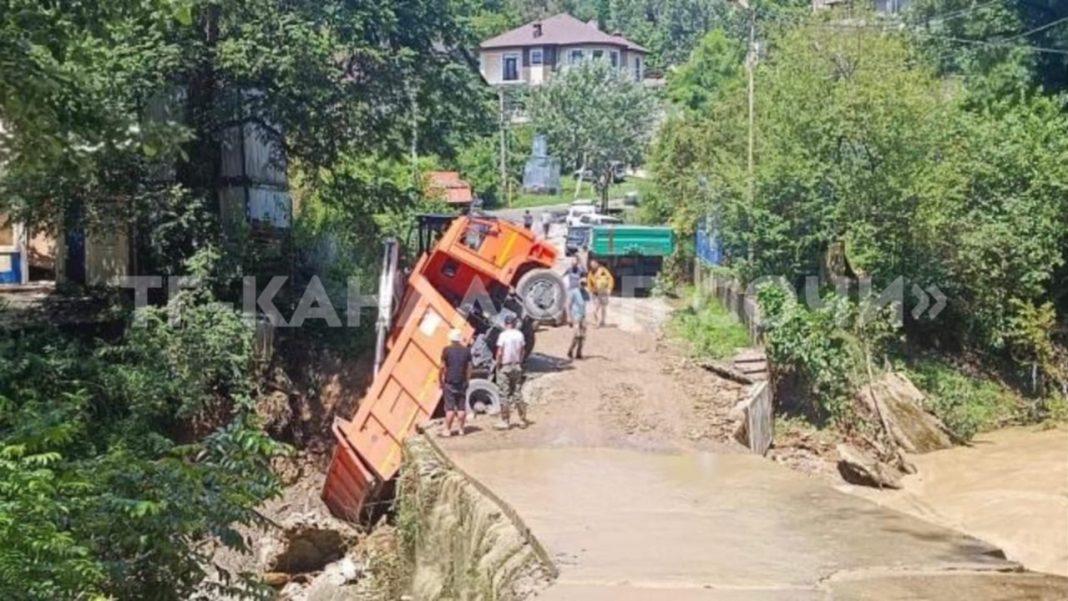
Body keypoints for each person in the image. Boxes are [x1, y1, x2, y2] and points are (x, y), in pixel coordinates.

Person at [494, 315, 528, 429]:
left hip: (505, 366)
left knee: (504, 394)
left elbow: (499, 352)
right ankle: (522, 420)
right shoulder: (519, 334)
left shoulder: (503, 335)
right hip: (517, 366)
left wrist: (498, 364)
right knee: (517, 393)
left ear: (505, 324)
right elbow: (523, 350)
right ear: (514, 324)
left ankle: (505, 421)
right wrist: (520, 362)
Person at [439, 329, 472, 437]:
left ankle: (447, 430)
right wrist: (467, 380)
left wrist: (440, 380)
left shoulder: (446, 350)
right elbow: (469, 368)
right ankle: (461, 430)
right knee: (461, 407)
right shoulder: (466, 350)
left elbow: (442, 367)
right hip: (462, 382)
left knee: (450, 408)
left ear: (451, 339)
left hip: (450, 382)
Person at [587, 259, 615, 327]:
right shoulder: (591, 273)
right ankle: (597, 322)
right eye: (591, 265)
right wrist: (590, 290)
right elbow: (589, 282)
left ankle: (602, 321)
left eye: (594, 264)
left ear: (597, 264)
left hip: (603, 292)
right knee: (595, 309)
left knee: (603, 308)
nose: (592, 266)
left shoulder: (603, 270)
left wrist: (609, 288)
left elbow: (610, 279)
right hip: (596, 293)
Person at [568, 280, 588, 360]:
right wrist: (569, 317)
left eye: (584, 284)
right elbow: (569, 304)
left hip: (583, 316)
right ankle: (570, 350)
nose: (583, 285)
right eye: (582, 283)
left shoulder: (586, 293)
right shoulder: (573, 292)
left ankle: (579, 353)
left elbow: (586, 304)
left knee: (583, 336)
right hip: (575, 316)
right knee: (576, 335)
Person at [564, 256, 587, 326]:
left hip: (578, 290)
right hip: (570, 289)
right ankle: (569, 319)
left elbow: (586, 272)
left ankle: (581, 320)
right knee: (567, 304)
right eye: (572, 261)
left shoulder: (580, 270)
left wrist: (582, 262)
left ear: (577, 263)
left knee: (580, 305)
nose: (573, 263)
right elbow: (562, 275)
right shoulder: (569, 269)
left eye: (574, 261)